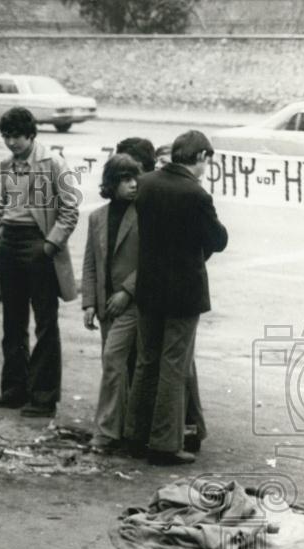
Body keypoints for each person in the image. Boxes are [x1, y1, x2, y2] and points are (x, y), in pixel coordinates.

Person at [125, 130, 228, 465]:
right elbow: (218, 238)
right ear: (200, 157)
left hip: (149, 287)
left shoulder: (148, 183)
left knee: (146, 361)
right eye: (206, 162)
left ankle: (136, 435)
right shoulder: (196, 195)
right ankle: (165, 443)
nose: (205, 168)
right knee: (174, 365)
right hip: (184, 290)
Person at [0, 107, 79, 418]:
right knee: (12, 322)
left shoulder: (52, 162)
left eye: (17, 136)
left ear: (31, 135)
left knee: (44, 323)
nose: (12, 142)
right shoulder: (5, 164)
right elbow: (2, 203)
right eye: (7, 136)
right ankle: (14, 390)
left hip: (39, 244)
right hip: (9, 243)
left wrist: (50, 245)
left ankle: (43, 396)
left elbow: (70, 209)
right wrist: (1, 229)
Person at [82, 155, 142, 453]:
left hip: (132, 303)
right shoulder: (97, 217)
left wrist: (127, 292)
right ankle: (126, 430)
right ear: (111, 183)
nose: (132, 184)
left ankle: (105, 432)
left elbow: (150, 260)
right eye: (125, 179)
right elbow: (91, 262)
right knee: (119, 364)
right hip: (106, 305)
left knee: (113, 359)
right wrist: (89, 303)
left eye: (135, 178)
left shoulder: (143, 214)